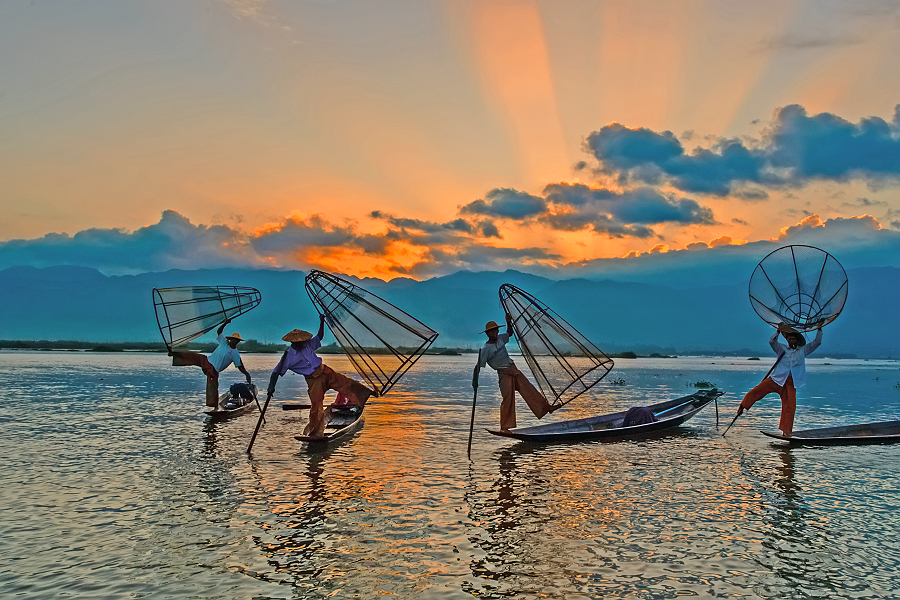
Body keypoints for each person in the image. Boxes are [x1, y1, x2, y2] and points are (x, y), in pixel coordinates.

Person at [266, 314, 375, 439]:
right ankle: (315, 433)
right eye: (299, 342)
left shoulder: (307, 344)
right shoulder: (288, 356)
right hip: (313, 380)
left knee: (345, 383)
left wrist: (322, 321)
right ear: (293, 343)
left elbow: (320, 337)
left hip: (324, 371)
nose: (302, 343)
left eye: (302, 341)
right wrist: (271, 387)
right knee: (316, 406)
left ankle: (366, 393)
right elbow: (275, 372)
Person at [737, 322, 823, 435]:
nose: (791, 341)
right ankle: (743, 406)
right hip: (776, 379)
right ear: (787, 340)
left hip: (791, 383)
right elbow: (772, 342)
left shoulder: (803, 350)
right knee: (757, 391)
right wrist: (778, 331)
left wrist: (819, 329)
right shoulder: (781, 349)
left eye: (793, 339)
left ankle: (786, 432)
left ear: (797, 341)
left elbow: (817, 342)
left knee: (790, 407)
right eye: (790, 339)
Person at [473, 314, 554, 431]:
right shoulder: (486, 349)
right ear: (487, 334)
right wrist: (475, 381)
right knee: (508, 398)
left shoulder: (501, 338)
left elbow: (509, 333)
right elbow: (478, 366)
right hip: (504, 373)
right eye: (491, 332)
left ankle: (546, 408)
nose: (494, 333)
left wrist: (508, 321)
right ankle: (505, 427)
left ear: (497, 331)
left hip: (513, 368)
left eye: (495, 330)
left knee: (528, 388)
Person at [170, 318, 252, 407]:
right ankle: (174, 353)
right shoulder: (224, 342)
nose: (235, 341)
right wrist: (225, 323)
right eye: (234, 339)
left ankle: (214, 406)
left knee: (213, 387)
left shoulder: (235, 353)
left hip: (213, 370)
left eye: (237, 340)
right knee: (193, 356)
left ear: (238, 342)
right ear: (231, 339)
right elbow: (219, 331)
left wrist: (247, 374)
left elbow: (240, 366)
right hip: (206, 361)